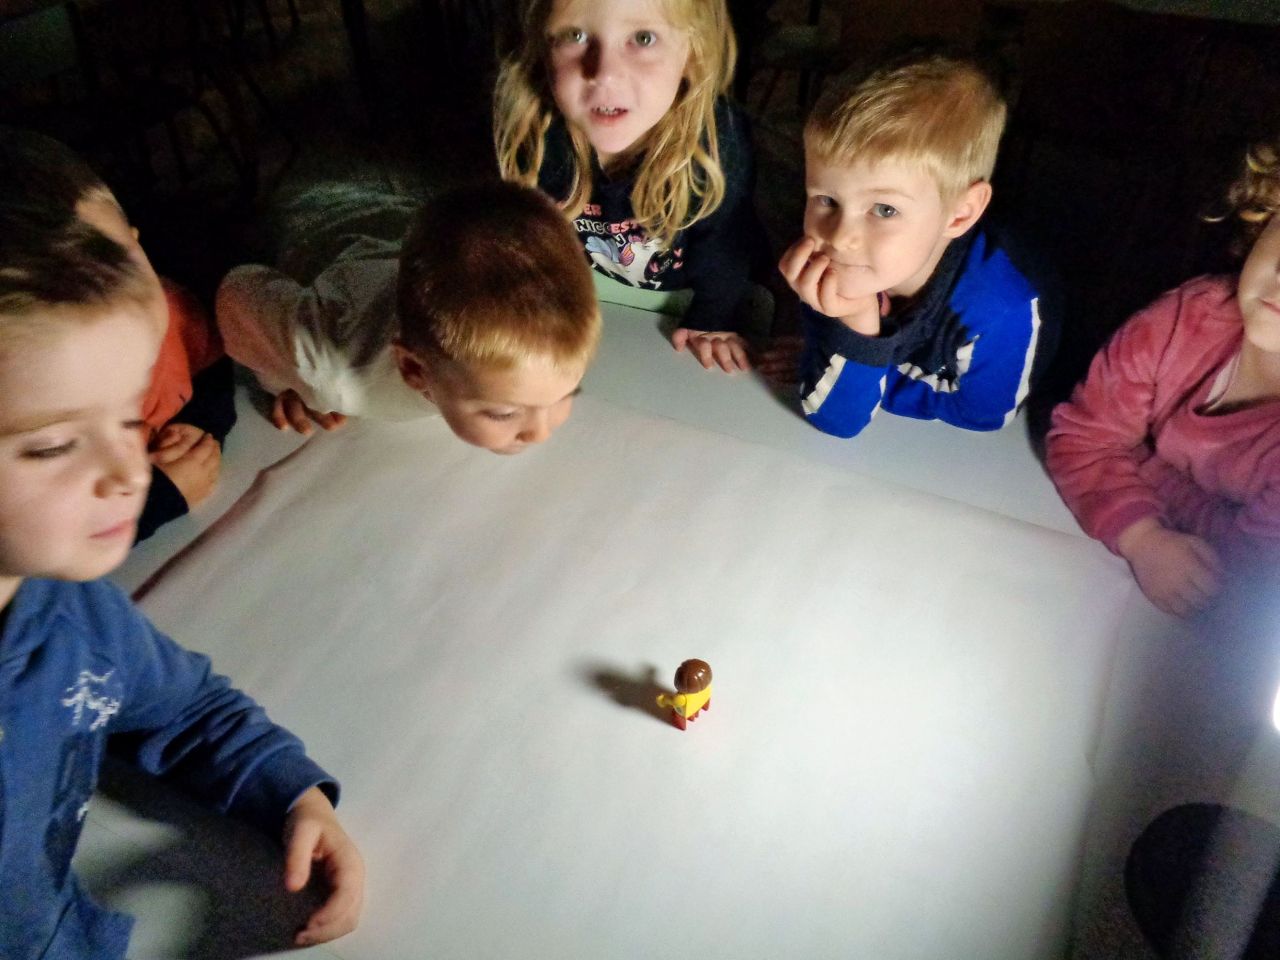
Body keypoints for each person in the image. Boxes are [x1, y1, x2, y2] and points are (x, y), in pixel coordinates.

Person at [0, 192, 364, 958]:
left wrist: (291, 794)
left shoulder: (70, 613)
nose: (128, 469)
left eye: (128, 419)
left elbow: (187, 708)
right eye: (53, 444)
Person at [1046, 139, 1280, 617]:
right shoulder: (1185, 318)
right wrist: (1143, 537)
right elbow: (1081, 440)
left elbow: (1247, 569)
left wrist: (1139, 463)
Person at [779, 49, 1057, 437]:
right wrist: (854, 326)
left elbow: (984, 414)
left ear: (959, 215)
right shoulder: (844, 262)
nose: (840, 237)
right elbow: (837, 420)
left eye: (885, 210)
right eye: (827, 199)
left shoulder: (1004, 309)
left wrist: (862, 357)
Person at [217, 180, 601, 455]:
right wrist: (280, 377)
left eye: (568, 394)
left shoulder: (553, 326)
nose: (540, 434)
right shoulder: (337, 370)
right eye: (504, 413)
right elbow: (234, 293)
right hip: (313, 213)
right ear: (414, 370)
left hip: (406, 214)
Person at [494, 0, 767, 373]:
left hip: (688, 307)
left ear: (694, 53)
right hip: (597, 300)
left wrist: (711, 321)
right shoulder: (535, 133)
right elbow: (529, 239)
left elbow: (727, 250)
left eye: (643, 38)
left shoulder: (721, 143)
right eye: (574, 35)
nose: (604, 74)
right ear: (541, 46)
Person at [0, 128, 236, 543]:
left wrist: (200, 428)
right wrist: (158, 498)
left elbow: (211, 368)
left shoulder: (173, 315)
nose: (110, 314)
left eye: (117, 268)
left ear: (137, 241)